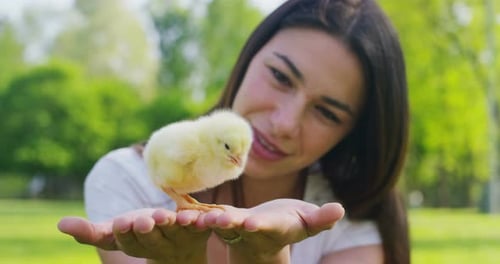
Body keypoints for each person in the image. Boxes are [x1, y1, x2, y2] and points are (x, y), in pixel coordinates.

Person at [58, 0, 410, 263]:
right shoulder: (127, 181)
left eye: (326, 112)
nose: (284, 123)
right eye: (280, 77)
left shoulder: (346, 213)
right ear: (248, 59)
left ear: (351, 134)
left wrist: (264, 260)